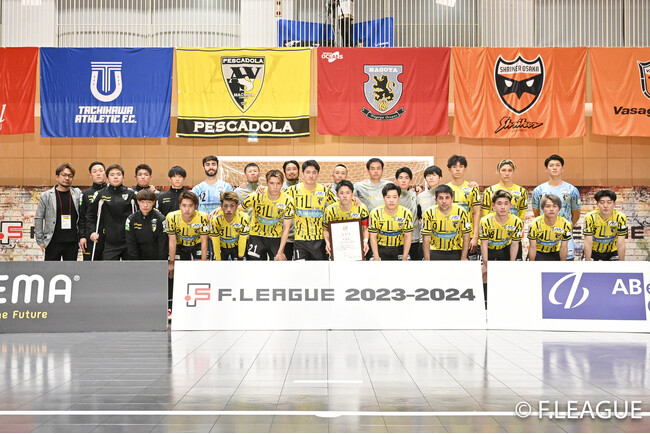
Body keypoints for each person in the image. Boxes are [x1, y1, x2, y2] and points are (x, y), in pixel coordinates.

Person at [286, 160, 338, 260]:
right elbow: (276, 197)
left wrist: (353, 199)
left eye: (314, 172)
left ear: (318, 174)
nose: (311, 176)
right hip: (300, 240)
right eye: (308, 172)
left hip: (319, 240)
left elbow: (338, 205)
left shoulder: (325, 191)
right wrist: (263, 189)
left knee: (320, 269)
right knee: (300, 268)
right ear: (302, 174)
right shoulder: (292, 190)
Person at [532, 154, 581, 260]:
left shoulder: (572, 190)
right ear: (546, 169)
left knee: (567, 264)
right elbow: (536, 213)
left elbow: (576, 213)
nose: (554, 168)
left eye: (558, 165)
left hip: (564, 234)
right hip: (543, 237)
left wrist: (567, 227)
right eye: (551, 165)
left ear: (562, 169)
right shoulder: (538, 190)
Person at [479, 190, 524, 304]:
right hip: (488, 249)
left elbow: (515, 244)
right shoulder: (485, 221)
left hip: (505, 248)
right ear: (493, 205)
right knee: (484, 272)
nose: (503, 207)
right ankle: (485, 300)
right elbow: (484, 244)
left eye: (506, 203)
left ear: (510, 205)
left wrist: (511, 263)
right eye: (499, 203)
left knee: (508, 273)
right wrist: (485, 264)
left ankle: (505, 298)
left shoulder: (517, 222)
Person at [241, 170, 295, 261]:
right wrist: (221, 209)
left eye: (278, 183)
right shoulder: (256, 195)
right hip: (256, 236)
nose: (275, 187)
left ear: (282, 184)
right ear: (267, 183)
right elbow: (237, 209)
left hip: (275, 238)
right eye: (271, 183)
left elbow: (286, 228)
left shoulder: (288, 200)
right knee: (254, 267)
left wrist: (281, 251)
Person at [88, 164, 138, 261]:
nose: (115, 177)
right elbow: (90, 215)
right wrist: (92, 231)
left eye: (118, 174)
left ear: (123, 178)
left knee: (130, 268)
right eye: (112, 175)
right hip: (110, 242)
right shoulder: (100, 194)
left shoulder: (131, 194)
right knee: (109, 268)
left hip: (128, 240)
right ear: (107, 178)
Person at [34, 163, 83, 261]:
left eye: (70, 176)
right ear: (57, 177)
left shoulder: (77, 194)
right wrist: (40, 240)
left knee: (71, 270)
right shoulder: (46, 196)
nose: (67, 178)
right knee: (51, 269)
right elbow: (39, 218)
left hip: (72, 242)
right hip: (53, 242)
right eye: (64, 175)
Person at [481, 159, 528, 260]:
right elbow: (485, 214)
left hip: (512, 236)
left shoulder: (522, 191)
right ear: (498, 172)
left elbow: (522, 213)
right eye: (503, 170)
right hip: (493, 239)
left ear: (513, 172)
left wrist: (514, 228)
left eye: (510, 170)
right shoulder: (489, 191)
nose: (507, 173)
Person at [165, 190, 209, 277]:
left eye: (191, 206)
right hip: (180, 245)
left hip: (197, 244)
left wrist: (204, 264)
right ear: (179, 206)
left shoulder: (203, 217)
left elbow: (204, 241)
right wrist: (171, 262)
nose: (187, 209)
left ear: (196, 206)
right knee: (178, 273)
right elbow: (172, 241)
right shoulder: (171, 217)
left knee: (201, 272)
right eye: (184, 205)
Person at [421, 185, 472, 261]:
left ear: (452, 199)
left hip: (456, 249)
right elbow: (426, 238)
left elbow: (466, 235)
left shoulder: (461, 211)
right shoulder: (429, 212)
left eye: (447, 198)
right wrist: (427, 259)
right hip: (434, 250)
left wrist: (464, 257)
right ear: (436, 200)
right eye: (440, 198)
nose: (444, 201)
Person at [323, 180, 370, 258]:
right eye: (341, 193)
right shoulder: (329, 210)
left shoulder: (361, 208)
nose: (345, 196)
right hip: (337, 248)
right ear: (337, 194)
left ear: (352, 194)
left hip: (356, 247)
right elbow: (326, 230)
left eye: (348, 193)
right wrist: (328, 242)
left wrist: (365, 241)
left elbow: (366, 228)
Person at [446, 155, 481, 259]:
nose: (457, 169)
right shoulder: (445, 189)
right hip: (449, 236)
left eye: (461, 166)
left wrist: (475, 236)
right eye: (454, 167)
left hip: (468, 235)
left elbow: (477, 213)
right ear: (449, 169)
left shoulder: (472, 188)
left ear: (465, 168)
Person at [368, 183, 413, 261]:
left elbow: (408, 236)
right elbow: (373, 236)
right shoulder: (375, 213)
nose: (391, 200)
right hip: (380, 248)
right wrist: (376, 257)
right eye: (388, 197)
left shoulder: (406, 213)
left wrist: (405, 257)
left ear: (399, 198)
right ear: (383, 198)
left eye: (394, 197)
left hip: (400, 248)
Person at [583, 190, 628, 261]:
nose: (605, 206)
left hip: (612, 252)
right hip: (593, 251)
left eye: (609, 202)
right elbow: (588, 242)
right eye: (602, 202)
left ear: (614, 204)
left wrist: (622, 263)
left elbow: (621, 243)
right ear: (597, 204)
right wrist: (587, 262)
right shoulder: (589, 217)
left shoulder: (620, 217)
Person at [125, 189, 167, 260]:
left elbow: (163, 243)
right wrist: (135, 260)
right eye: (142, 202)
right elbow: (130, 242)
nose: (145, 205)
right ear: (138, 202)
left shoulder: (161, 219)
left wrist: (161, 261)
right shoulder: (131, 219)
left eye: (149, 202)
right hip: (137, 257)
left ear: (153, 202)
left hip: (156, 257)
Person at [528, 194, 572, 261]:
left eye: (554, 206)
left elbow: (564, 247)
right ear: (542, 209)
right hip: (538, 252)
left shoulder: (566, 224)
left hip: (555, 252)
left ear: (559, 209)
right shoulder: (534, 224)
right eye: (548, 206)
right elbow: (532, 247)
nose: (551, 209)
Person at [210, 191, 250, 261]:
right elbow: (215, 241)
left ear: (237, 206)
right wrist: (218, 259)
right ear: (221, 206)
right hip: (221, 246)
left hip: (236, 246)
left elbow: (243, 239)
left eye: (232, 206)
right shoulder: (215, 219)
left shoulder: (244, 218)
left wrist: (240, 256)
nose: (228, 209)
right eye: (225, 206)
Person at [79, 161, 107, 261]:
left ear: (105, 173)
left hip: (108, 238)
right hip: (91, 236)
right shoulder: (85, 194)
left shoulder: (110, 192)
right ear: (90, 175)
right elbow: (82, 217)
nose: (98, 173)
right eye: (95, 172)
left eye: (100, 171)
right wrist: (82, 236)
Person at [395, 167, 421, 260]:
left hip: (414, 237)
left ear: (410, 180)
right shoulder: (392, 196)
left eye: (406, 178)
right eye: (401, 178)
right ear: (396, 180)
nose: (403, 180)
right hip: (397, 238)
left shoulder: (416, 195)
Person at [281, 160, 300, 259]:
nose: (291, 172)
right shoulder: (279, 189)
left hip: (301, 238)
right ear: (284, 172)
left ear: (299, 171)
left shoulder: (305, 188)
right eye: (288, 169)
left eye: (294, 169)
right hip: (285, 238)